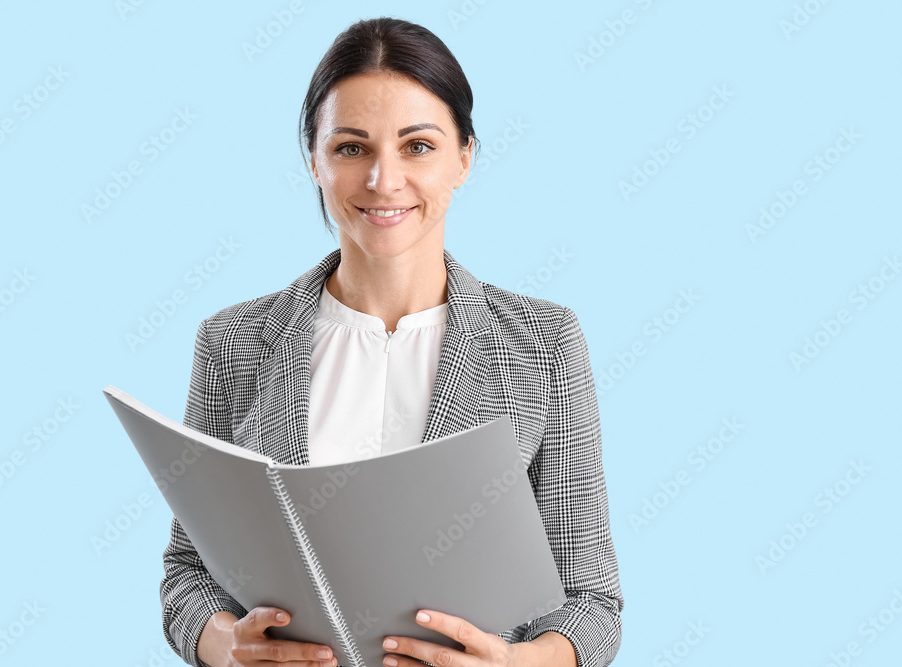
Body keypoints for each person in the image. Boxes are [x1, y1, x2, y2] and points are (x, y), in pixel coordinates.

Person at [160, 16, 623, 667]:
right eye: (351, 147)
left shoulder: (544, 343)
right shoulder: (233, 342)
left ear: (464, 156)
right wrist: (224, 643)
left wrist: (520, 664)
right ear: (313, 159)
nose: (383, 180)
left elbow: (591, 600)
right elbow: (188, 571)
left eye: (417, 146)